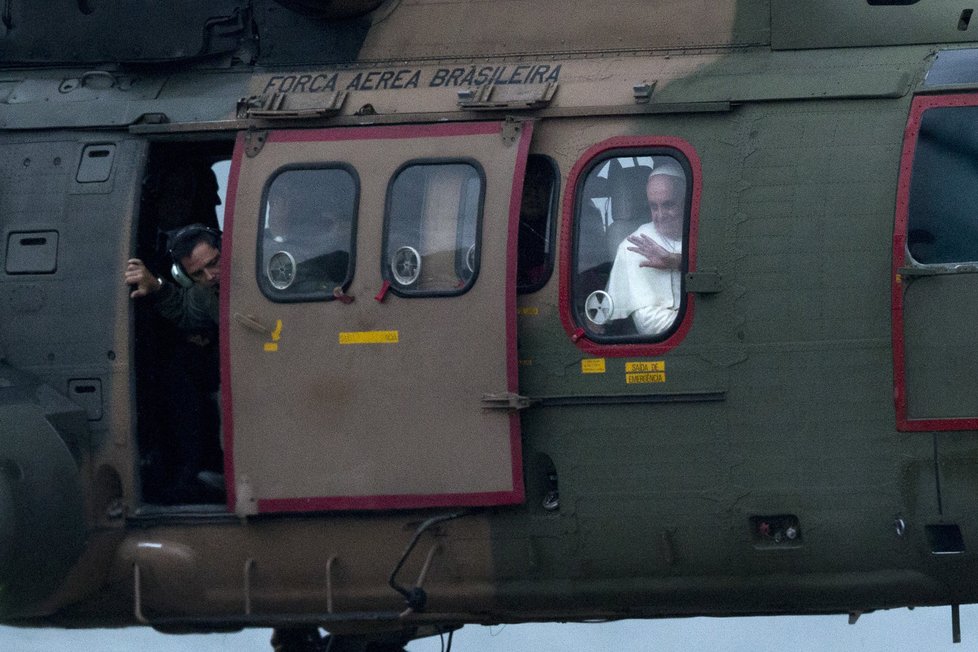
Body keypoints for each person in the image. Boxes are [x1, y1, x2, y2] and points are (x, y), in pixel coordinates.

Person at [124, 224, 224, 504]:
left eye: (214, 263)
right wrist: (155, 285)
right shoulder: (206, 291)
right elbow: (185, 311)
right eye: (198, 274)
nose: (211, 276)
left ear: (225, 249)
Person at [605, 159, 686, 336]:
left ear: (686, 201)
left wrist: (678, 262)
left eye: (668, 205)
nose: (661, 215)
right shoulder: (633, 246)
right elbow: (649, 324)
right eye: (653, 207)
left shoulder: (707, 232)